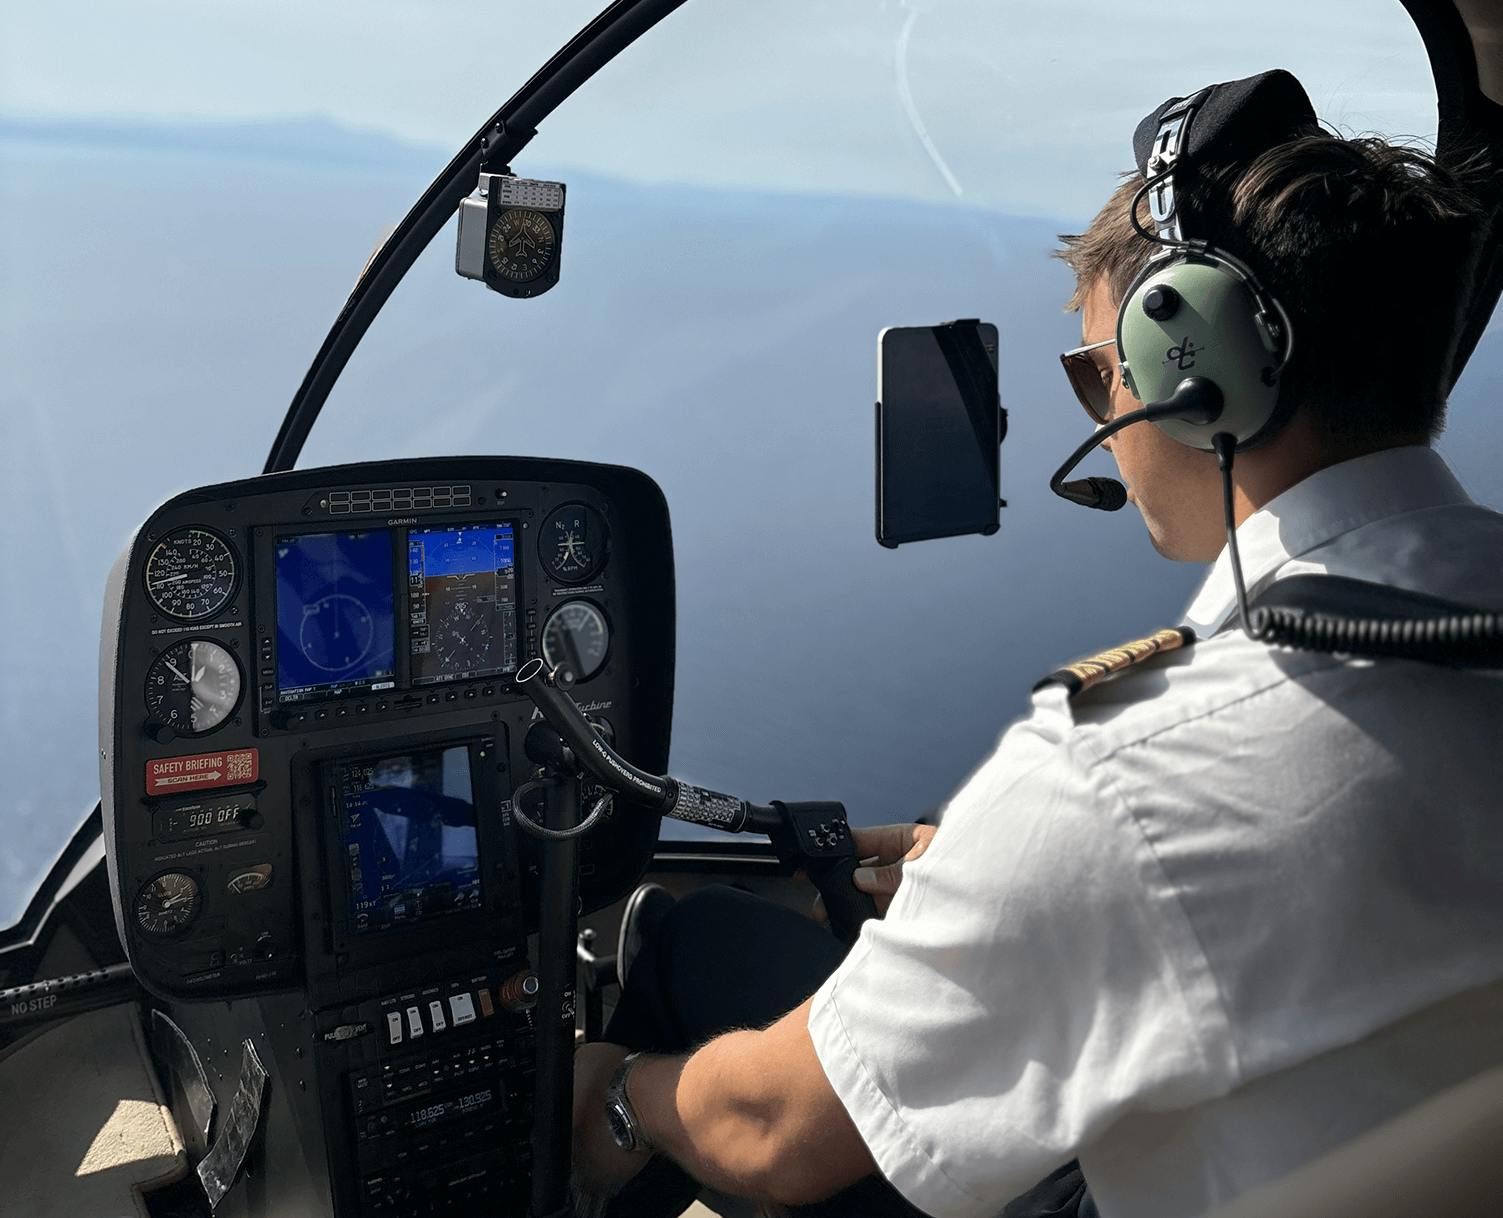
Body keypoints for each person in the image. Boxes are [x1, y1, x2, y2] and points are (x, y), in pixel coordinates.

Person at [568, 69, 1503, 1218]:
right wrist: (998, 873)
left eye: (1095, 371)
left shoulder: (1127, 778)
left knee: (679, 965)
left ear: (1193, 373)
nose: (1101, 422)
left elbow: (764, 1130)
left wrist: (614, 1099)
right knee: (707, 933)